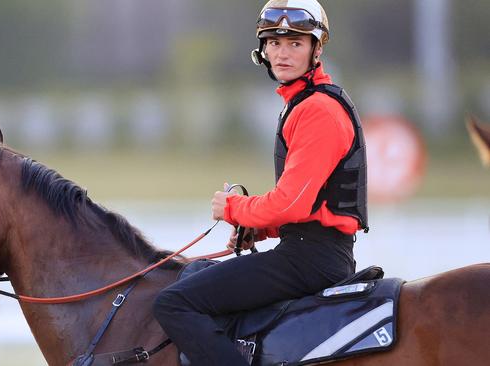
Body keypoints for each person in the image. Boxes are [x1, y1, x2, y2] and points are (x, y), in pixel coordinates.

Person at [153, 0, 368, 365]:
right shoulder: (303, 103)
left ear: (317, 49)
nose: (282, 53)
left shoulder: (318, 110)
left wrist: (234, 210)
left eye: (295, 44)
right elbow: (308, 204)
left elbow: (291, 203)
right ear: (262, 50)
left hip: (311, 260)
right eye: (274, 43)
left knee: (173, 303)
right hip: (305, 251)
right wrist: (262, 230)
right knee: (192, 273)